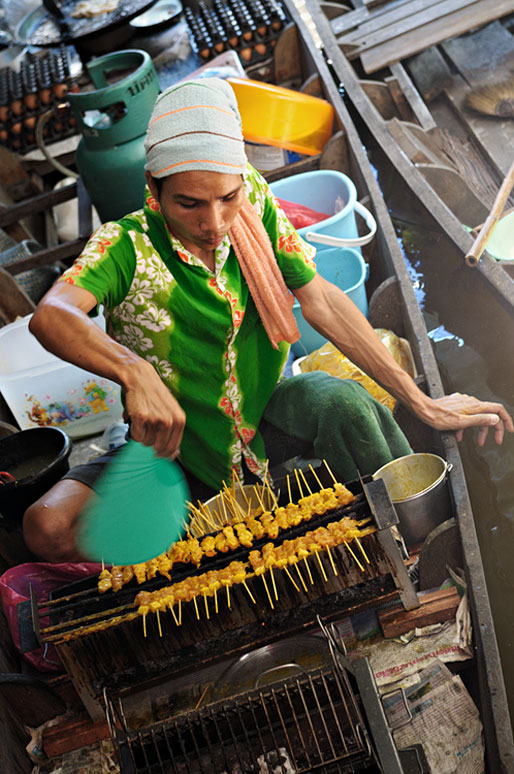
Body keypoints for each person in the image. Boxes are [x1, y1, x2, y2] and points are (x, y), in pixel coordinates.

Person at [24, 78, 513, 562]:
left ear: (241, 179)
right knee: (47, 527)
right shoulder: (123, 246)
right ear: (153, 187)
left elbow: (319, 297)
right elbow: (52, 316)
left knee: (343, 402)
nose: (213, 223)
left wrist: (422, 401)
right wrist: (134, 371)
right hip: (177, 449)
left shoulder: (253, 202)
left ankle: (406, 548)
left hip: (261, 417)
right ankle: (182, 544)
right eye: (189, 203)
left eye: (226, 197)